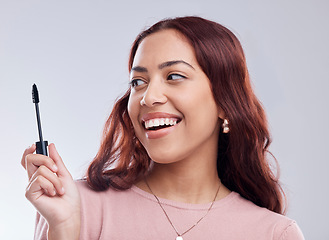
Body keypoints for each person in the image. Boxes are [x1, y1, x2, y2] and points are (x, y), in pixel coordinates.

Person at [21, 16, 304, 240]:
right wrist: (65, 230)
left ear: (225, 103)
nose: (148, 96)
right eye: (137, 82)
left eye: (174, 76)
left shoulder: (273, 234)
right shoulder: (74, 207)